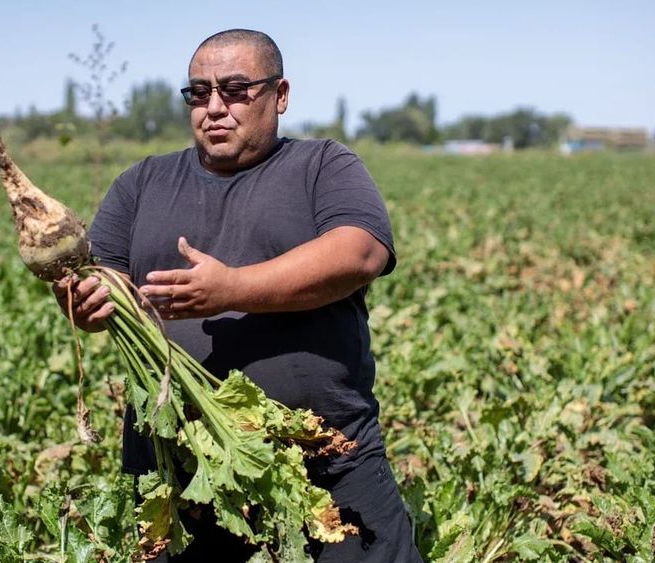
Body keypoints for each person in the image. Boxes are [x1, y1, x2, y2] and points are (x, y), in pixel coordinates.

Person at [53, 28, 423, 563]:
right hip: (178, 470)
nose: (214, 108)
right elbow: (98, 281)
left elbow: (360, 252)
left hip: (324, 459)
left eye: (235, 90)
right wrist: (82, 303)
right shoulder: (142, 182)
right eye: (199, 93)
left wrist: (232, 289)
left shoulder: (322, 166)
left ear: (280, 95)